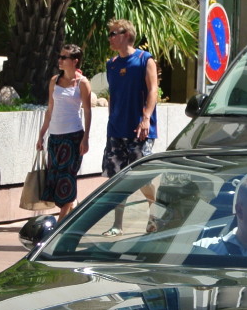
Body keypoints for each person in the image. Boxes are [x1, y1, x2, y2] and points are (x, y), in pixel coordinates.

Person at [102, 19, 158, 236]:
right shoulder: (112, 64)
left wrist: (146, 118)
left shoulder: (145, 59)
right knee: (118, 178)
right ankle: (117, 225)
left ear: (125, 34)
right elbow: (113, 96)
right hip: (116, 130)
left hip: (140, 130)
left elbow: (153, 91)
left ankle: (154, 215)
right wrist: (110, 124)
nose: (109, 38)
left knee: (141, 177)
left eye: (113, 33)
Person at [34, 43, 92, 218]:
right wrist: (41, 135)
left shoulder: (82, 83)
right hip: (55, 137)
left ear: (75, 61)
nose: (60, 60)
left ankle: (60, 224)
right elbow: (50, 110)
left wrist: (86, 138)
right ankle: (71, 210)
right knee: (55, 176)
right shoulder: (54, 81)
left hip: (73, 136)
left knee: (67, 178)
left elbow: (88, 112)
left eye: (64, 57)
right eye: (60, 57)